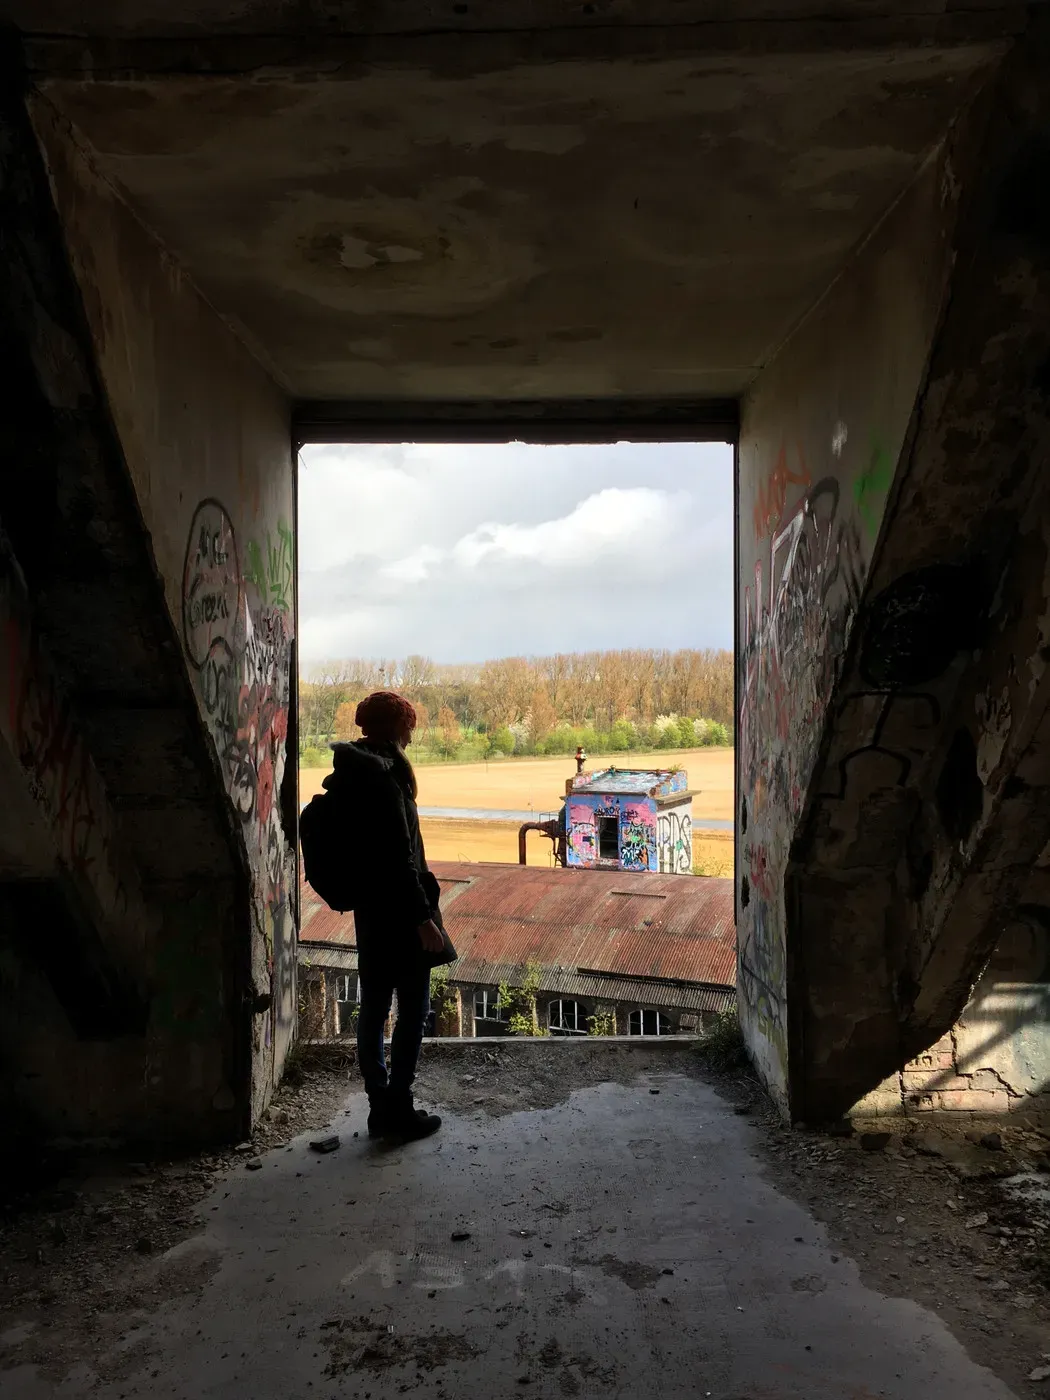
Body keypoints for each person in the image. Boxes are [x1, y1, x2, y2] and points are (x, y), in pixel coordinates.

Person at [322, 691, 446, 1141]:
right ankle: (399, 1109)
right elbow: (400, 861)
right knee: (414, 1009)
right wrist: (424, 920)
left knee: (373, 1010)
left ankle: (380, 1109)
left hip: (371, 916)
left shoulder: (350, 776)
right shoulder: (385, 781)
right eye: (409, 725)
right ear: (395, 729)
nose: (412, 734)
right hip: (401, 915)